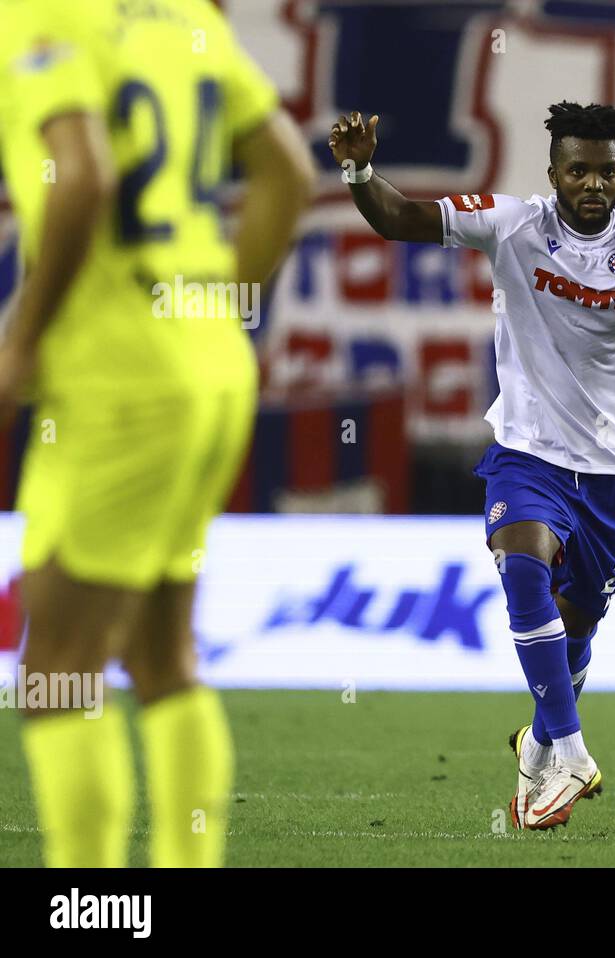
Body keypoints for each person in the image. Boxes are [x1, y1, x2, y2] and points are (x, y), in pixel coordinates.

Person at [329, 101, 615, 830]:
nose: (594, 184)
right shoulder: (512, 224)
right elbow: (401, 218)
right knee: (523, 563)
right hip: (526, 452)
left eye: (608, 172)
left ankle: (538, 743)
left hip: (610, 474)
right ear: (553, 174)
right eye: (579, 170)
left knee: (574, 634)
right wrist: (358, 170)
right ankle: (568, 751)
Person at [0, 0, 314, 867]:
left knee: (56, 672)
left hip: (120, 379)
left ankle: (86, 905)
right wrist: (215, 310)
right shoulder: (185, 18)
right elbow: (288, 170)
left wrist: (18, 346)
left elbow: (86, 174)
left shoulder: (38, 14)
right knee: (162, 654)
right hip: (210, 363)